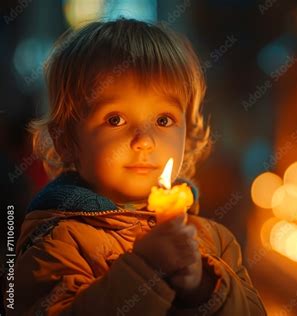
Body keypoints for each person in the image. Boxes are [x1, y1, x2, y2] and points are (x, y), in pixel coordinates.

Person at [5, 18, 266, 316]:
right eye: (115, 119)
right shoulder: (58, 243)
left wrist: (203, 286)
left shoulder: (214, 241)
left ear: (188, 132)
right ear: (66, 140)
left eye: (163, 120)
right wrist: (146, 269)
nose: (145, 141)